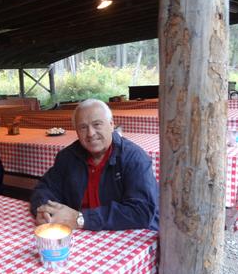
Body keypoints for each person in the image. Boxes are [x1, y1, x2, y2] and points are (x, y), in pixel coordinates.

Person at [30, 98, 159, 232]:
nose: (90, 134)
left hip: (129, 237)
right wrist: (46, 211)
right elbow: (44, 189)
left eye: (97, 124)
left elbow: (142, 212)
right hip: (83, 235)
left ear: (111, 124)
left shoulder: (134, 158)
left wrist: (80, 218)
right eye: (83, 127)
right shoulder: (67, 157)